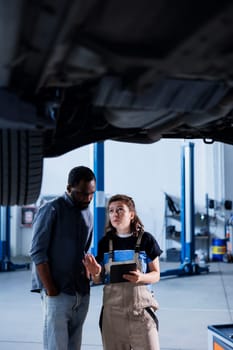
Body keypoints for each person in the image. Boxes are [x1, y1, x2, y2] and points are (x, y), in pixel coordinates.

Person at [83, 194, 163, 350]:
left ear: (131, 215)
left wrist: (141, 277)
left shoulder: (146, 240)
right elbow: (99, 279)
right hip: (113, 316)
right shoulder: (105, 243)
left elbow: (156, 275)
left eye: (120, 209)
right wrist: (95, 272)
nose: (114, 214)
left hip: (141, 312)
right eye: (111, 211)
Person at [29, 166, 96, 350]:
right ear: (69, 188)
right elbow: (37, 252)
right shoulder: (51, 209)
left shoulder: (88, 214)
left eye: (91, 193)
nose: (88, 198)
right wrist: (51, 289)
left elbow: (84, 251)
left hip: (80, 293)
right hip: (57, 293)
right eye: (82, 193)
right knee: (56, 346)